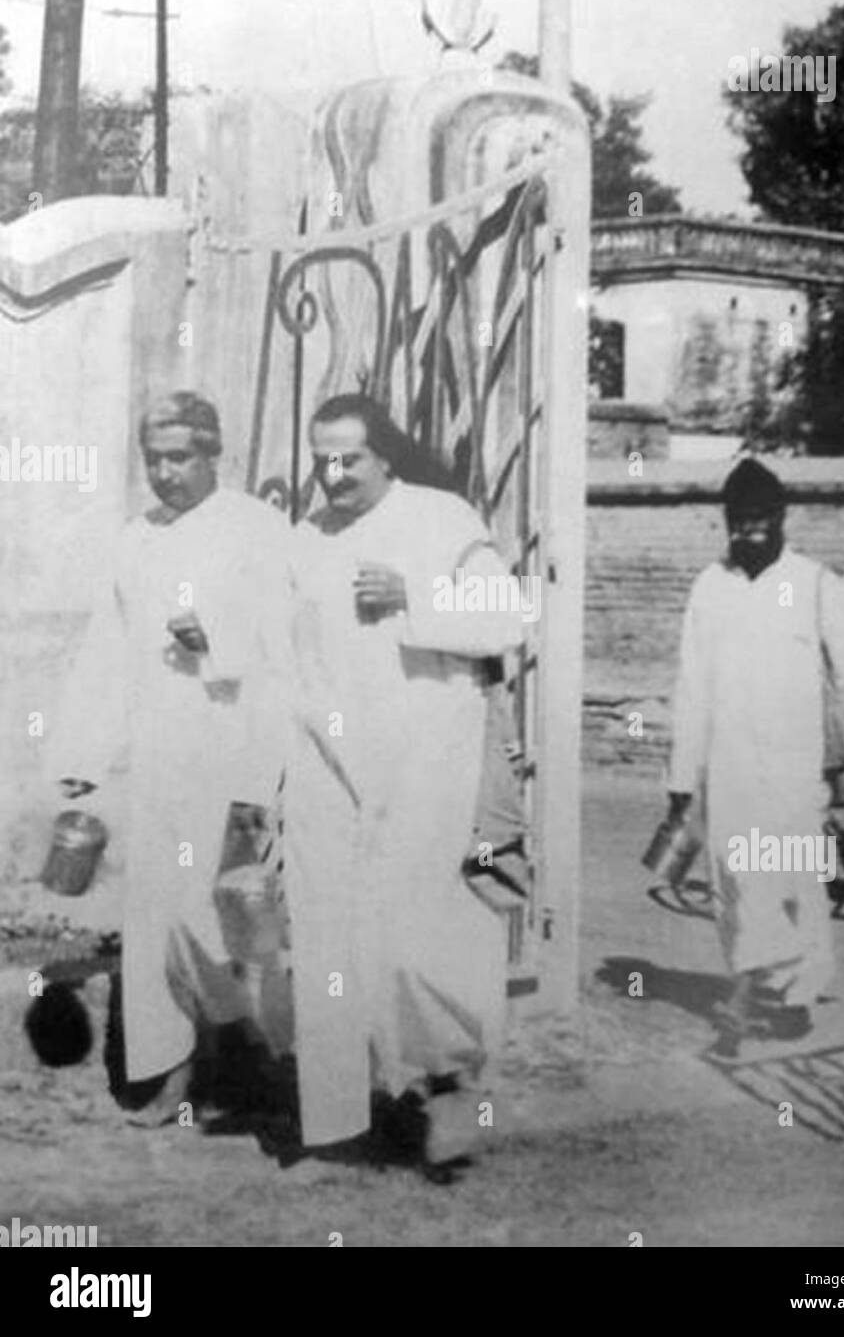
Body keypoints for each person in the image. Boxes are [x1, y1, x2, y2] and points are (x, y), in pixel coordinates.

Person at [46, 392, 350, 1129]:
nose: (164, 472)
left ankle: (258, 1056)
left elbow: (290, 647)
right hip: (159, 756)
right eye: (153, 459)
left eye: (179, 457)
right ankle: (168, 1067)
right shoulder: (135, 539)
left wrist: (213, 645)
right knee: (155, 916)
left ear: (216, 455)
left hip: (237, 746)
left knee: (228, 918)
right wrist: (83, 751)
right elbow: (105, 652)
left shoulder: (256, 531)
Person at [289, 392, 522, 1175]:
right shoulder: (306, 540)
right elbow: (286, 656)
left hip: (422, 762)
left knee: (409, 934)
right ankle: (333, 1127)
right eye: (322, 457)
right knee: (325, 940)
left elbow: (506, 620)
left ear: (384, 455)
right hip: (326, 765)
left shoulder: (441, 518)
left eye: (349, 456)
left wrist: (413, 598)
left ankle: (447, 1074)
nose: (333, 473)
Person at [665, 459, 844, 1047]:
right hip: (727, 761)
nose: (749, 532)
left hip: (793, 762)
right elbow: (692, 684)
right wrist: (683, 773)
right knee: (735, 872)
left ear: (780, 519)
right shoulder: (710, 587)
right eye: (739, 522)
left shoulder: (813, 584)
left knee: (795, 878)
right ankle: (755, 983)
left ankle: (792, 995)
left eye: (760, 520)